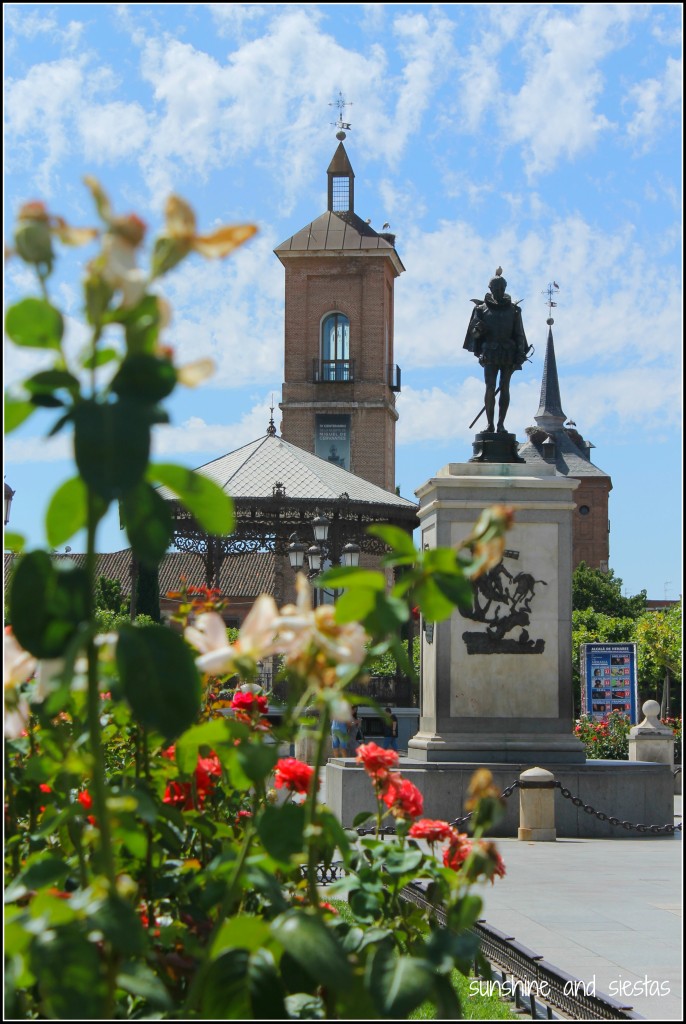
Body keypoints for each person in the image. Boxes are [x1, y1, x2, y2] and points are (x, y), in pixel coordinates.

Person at [464, 268, 530, 433]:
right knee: (490, 387)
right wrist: (478, 329)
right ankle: (490, 424)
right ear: (490, 289)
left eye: (502, 289)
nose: (500, 292)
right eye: (496, 289)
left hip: (508, 351)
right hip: (490, 352)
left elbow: (519, 333)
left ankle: (500, 424)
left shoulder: (514, 310)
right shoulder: (481, 309)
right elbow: (474, 334)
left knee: (505, 387)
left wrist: (520, 352)